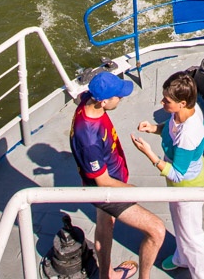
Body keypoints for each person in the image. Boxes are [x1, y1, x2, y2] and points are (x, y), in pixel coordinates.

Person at [70, 70, 166, 279]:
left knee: (105, 222)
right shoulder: (89, 139)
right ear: (103, 102)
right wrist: (134, 192)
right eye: (118, 96)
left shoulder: (88, 99)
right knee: (156, 230)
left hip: (109, 178)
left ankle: (107, 276)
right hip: (108, 189)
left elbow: (81, 95)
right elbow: (102, 181)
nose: (121, 98)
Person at [131, 71, 204, 279]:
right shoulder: (186, 111)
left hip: (187, 187)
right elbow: (170, 130)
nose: (162, 102)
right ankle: (182, 257)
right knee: (181, 224)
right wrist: (154, 128)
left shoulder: (189, 135)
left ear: (182, 103)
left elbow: (178, 174)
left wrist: (150, 154)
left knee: (193, 237)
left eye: (167, 100)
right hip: (179, 187)